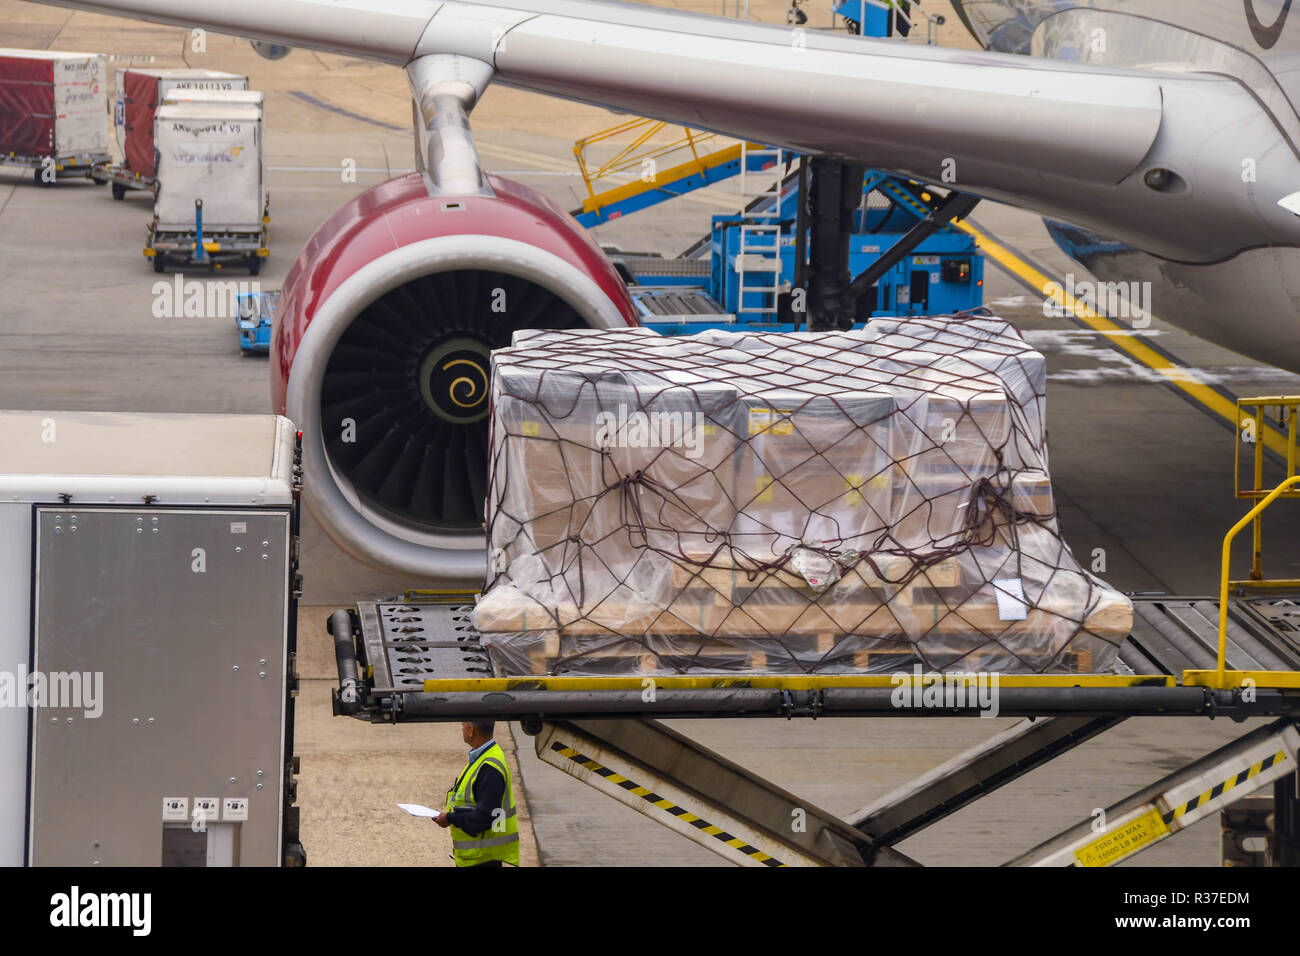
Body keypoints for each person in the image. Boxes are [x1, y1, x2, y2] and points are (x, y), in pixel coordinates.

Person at [433, 720, 520, 867]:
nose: (462, 727)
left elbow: (485, 816)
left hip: (481, 858)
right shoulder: (484, 757)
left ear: (471, 730)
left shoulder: (489, 767)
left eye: (464, 725)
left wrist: (450, 818)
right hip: (478, 855)